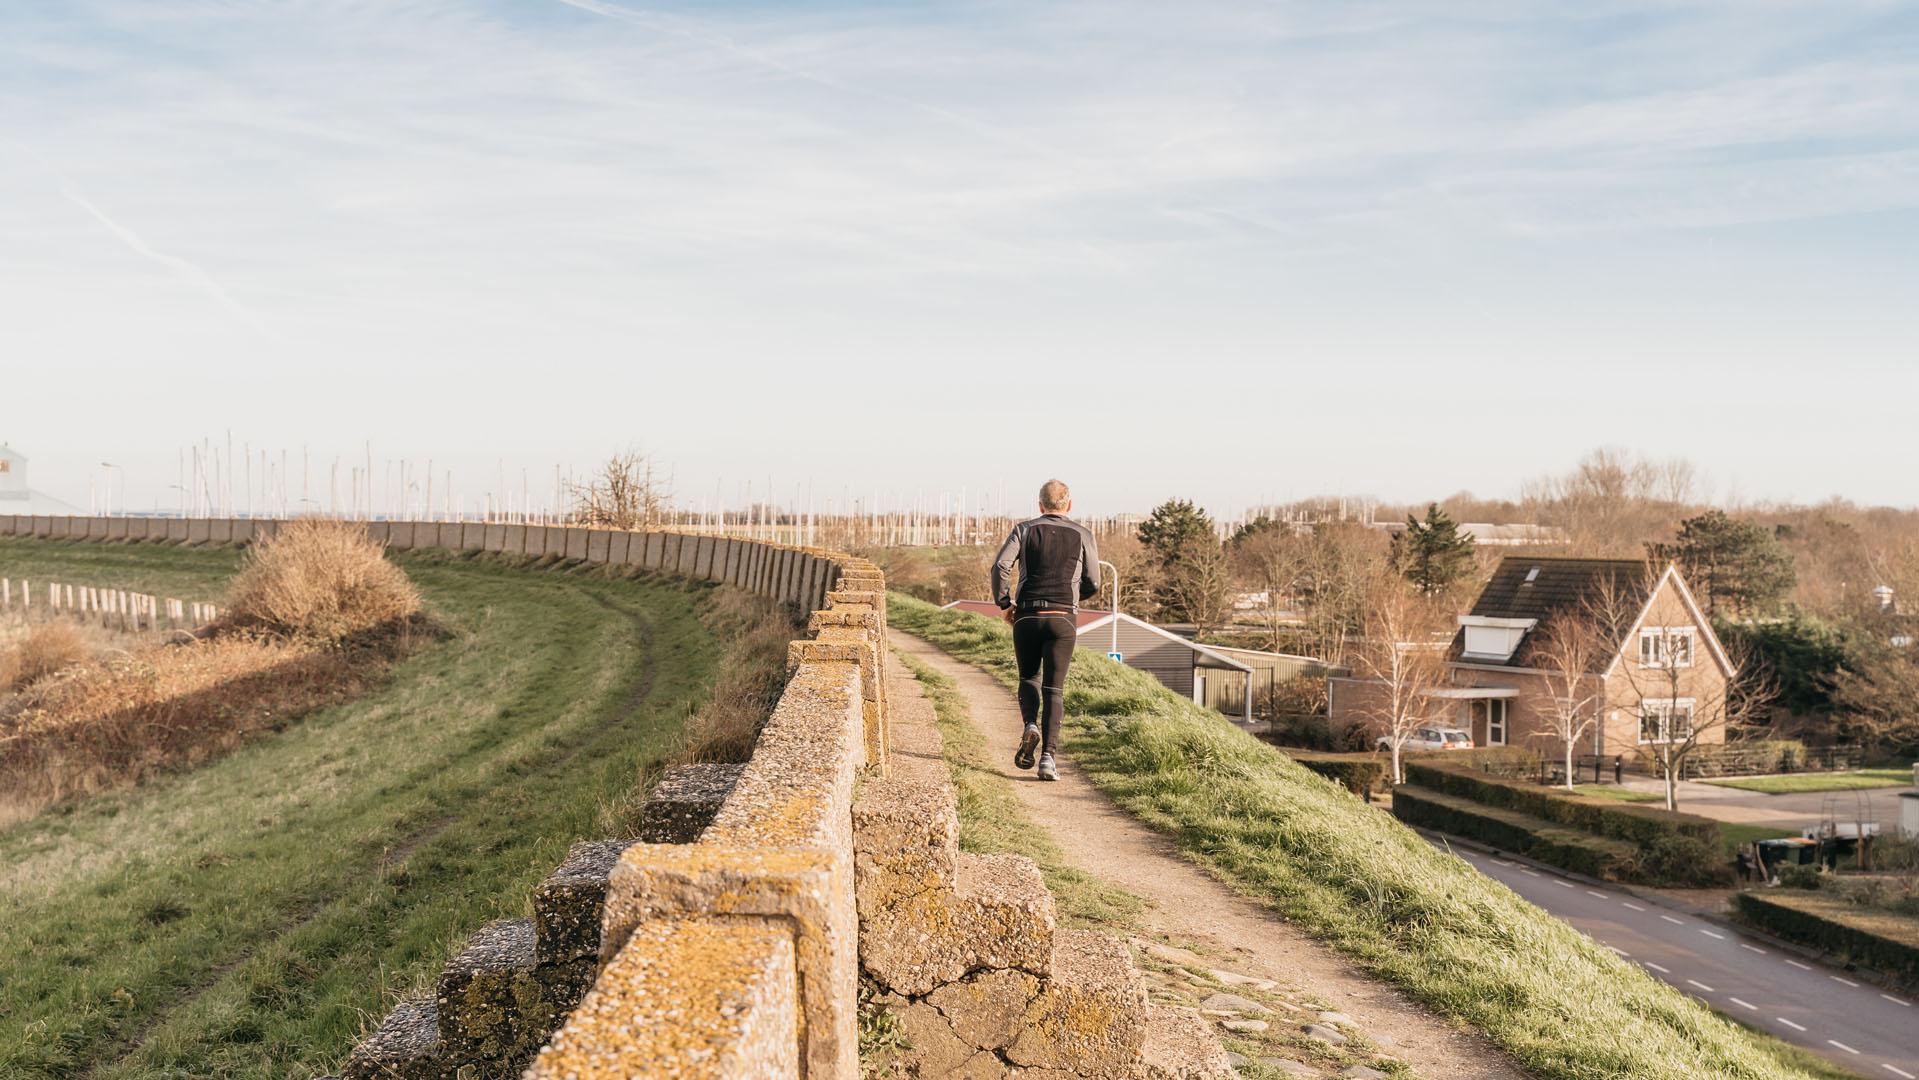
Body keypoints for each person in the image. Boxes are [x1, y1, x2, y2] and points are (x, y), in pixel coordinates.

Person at [991, 479, 1100, 781]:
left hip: (1026, 614)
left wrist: (1005, 603)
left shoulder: (1023, 530)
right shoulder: (1083, 534)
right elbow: (1094, 581)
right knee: (1054, 688)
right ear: (1069, 505)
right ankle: (1048, 759)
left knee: (1028, 677)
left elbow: (1001, 566)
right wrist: (1073, 599)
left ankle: (1030, 726)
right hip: (1063, 617)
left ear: (1040, 505)